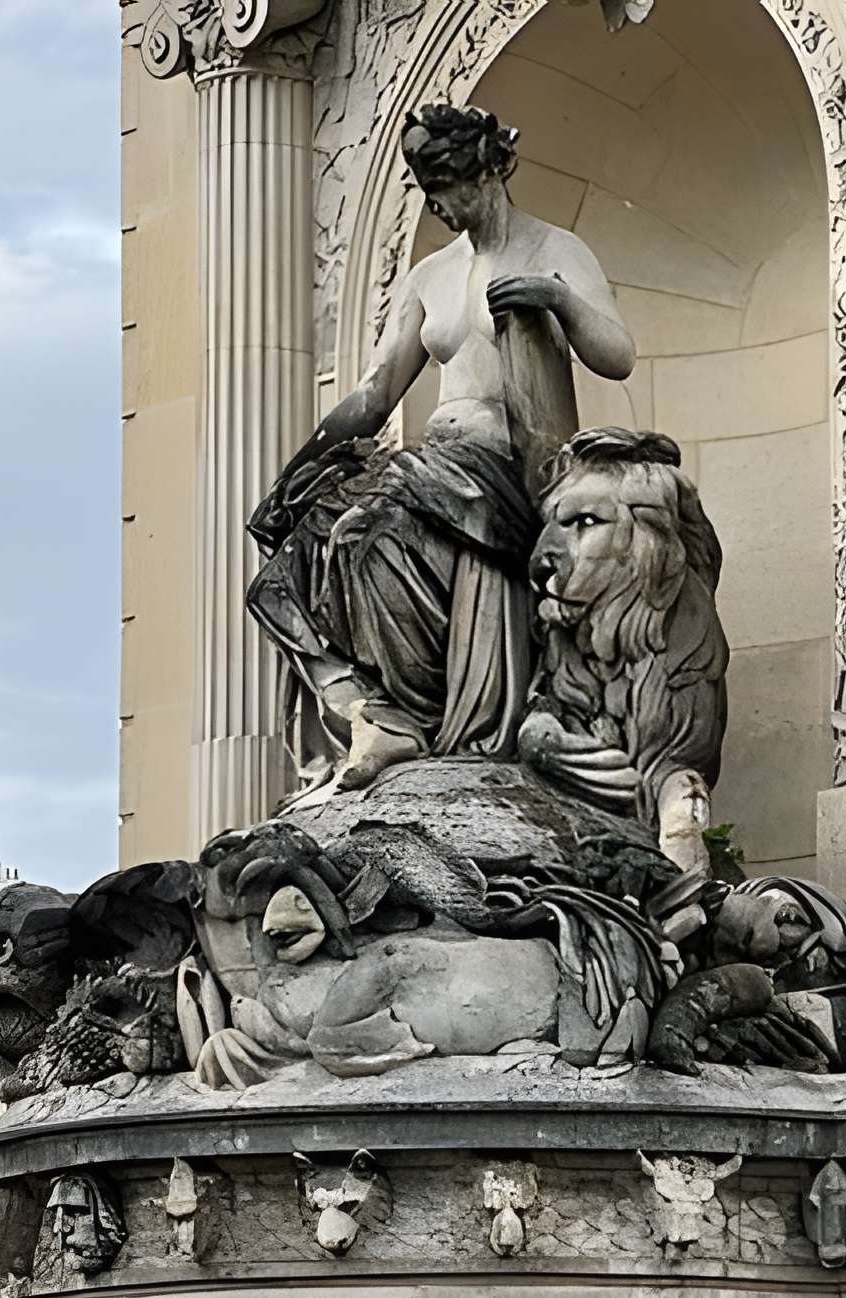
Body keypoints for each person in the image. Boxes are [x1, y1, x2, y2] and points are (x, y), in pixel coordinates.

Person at [246, 103, 634, 791]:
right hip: (437, 469)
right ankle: (373, 710)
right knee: (293, 561)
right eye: (427, 190)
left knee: (372, 517)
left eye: (447, 186)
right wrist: (297, 473)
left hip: (510, 470)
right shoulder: (429, 276)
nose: (438, 205)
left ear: (488, 171)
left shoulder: (555, 251)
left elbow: (618, 356)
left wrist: (558, 300)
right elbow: (374, 394)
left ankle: (410, 711)